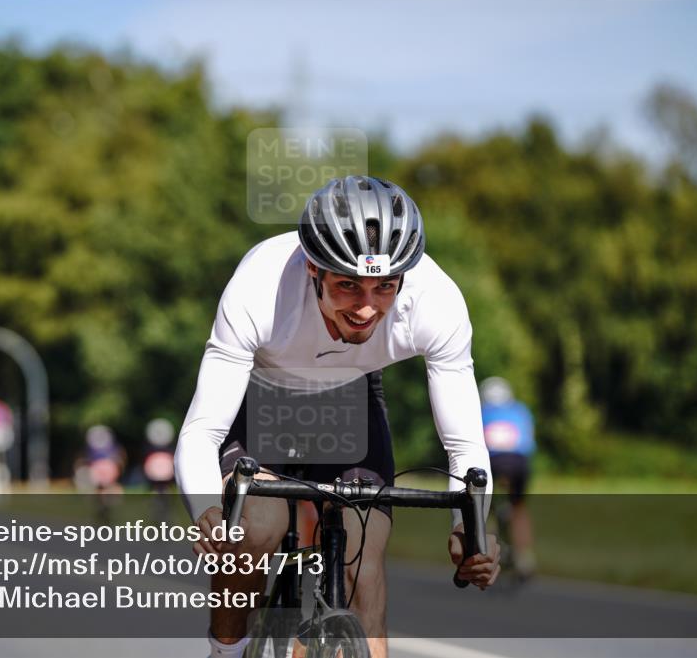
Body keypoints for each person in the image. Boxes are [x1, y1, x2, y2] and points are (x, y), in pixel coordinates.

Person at [175, 175, 499, 658]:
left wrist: (468, 529)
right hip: (264, 396)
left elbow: (466, 447)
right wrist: (208, 512)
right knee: (253, 530)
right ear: (313, 270)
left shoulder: (437, 302)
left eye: (384, 287)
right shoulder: (261, 285)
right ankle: (227, 647)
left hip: (350, 401)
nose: (367, 308)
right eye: (348, 285)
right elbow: (202, 431)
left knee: (363, 563)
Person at [479, 376, 536, 578]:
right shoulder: (521, 410)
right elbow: (528, 443)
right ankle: (525, 558)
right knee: (519, 507)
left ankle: (485, 545)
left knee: (482, 505)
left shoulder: (481, 412)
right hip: (519, 463)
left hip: (493, 463)